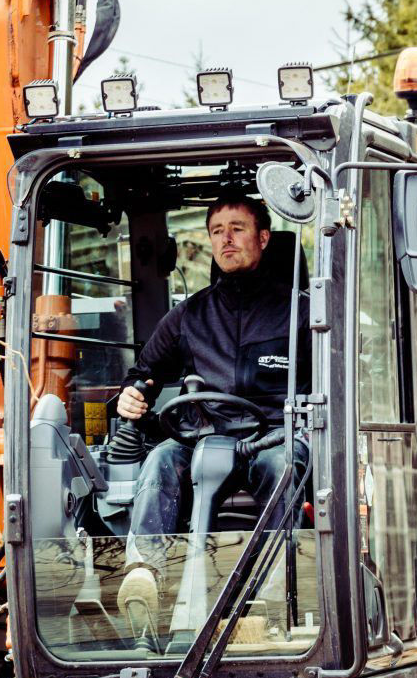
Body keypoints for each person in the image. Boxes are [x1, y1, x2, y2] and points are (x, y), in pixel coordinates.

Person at [116, 194, 308, 546]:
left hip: (274, 438)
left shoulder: (303, 312)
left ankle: (281, 575)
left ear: (263, 238)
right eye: (217, 231)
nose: (226, 238)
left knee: (282, 465)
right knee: (160, 460)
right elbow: (143, 375)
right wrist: (131, 394)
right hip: (202, 438)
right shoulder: (188, 316)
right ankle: (143, 574)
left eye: (237, 228)